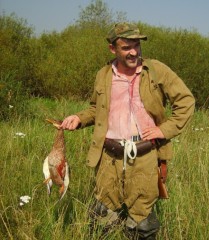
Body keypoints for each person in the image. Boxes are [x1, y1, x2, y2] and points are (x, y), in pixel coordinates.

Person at [60, 22, 195, 239]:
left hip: (145, 155)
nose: (133, 52)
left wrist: (164, 130)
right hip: (109, 156)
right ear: (113, 49)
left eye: (136, 46)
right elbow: (96, 109)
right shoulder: (104, 75)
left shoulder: (156, 70)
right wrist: (78, 118)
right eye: (126, 48)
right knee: (103, 215)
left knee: (142, 222)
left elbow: (186, 101)